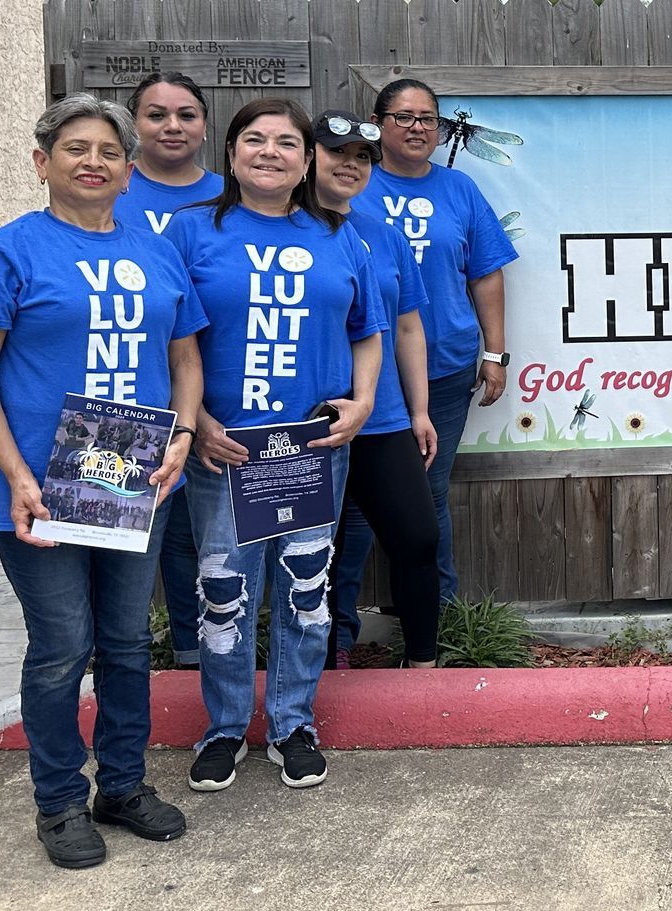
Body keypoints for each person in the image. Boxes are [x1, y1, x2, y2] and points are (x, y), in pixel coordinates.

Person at [0, 93, 205, 868]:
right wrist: (17, 474)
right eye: (75, 149)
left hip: (133, 468)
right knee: (62, 644)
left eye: (108, 152)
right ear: (42, 162)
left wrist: (183, 435)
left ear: (128, 173)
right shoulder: (8, 252)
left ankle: (122, 785)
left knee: (127, 640)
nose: (93, 161)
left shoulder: (157, 250)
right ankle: (59, 801)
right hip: (42, 483)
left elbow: (185, 355)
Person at [164, 97, 387, 792]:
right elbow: (171, 340)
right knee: (223, 592)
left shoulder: (338, 233)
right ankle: (226, 726)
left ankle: (293, 723)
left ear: (307, 159)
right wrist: (195, 421)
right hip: (225, 447)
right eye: (253, 139)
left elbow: (367, 328)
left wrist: (365, 400)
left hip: (312, 446)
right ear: (230, 155)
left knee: (304, 589)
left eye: (286, 142)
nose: (269, 151)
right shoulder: (191, 231)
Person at [348, 78, 519, 611]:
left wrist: (494, 352)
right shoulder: (352, 185)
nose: (418, 127)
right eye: (404, 116)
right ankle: (334, 625)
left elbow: (486, 273)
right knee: (353, 502)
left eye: (429, 118)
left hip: (443, 366)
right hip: (363, 369)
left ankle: (433, 612)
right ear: (378, 125)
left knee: (428, 489)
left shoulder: (460, 190)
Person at [308, 109, 444, 670]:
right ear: (308, 156)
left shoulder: (382, 235)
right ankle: (313, 664)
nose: (350, 165)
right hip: (305, 422)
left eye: (362, 157)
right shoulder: (280, 229)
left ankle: (423, 664)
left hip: (383, 417)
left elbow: (406, 325)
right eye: (337, 152)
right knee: (306, 554)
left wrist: (420, 410)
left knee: (417, 539)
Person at [115, 71, 225, 670]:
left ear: (205, 125)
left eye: (186, 114)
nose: (172, 126)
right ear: (136, 125)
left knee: (195, 530)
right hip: (126, 385)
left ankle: (198, 649)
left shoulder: (231, 195)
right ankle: (117, 651)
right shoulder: (112, 190)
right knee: (125, 525)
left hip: (205, 382)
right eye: (156, 114)